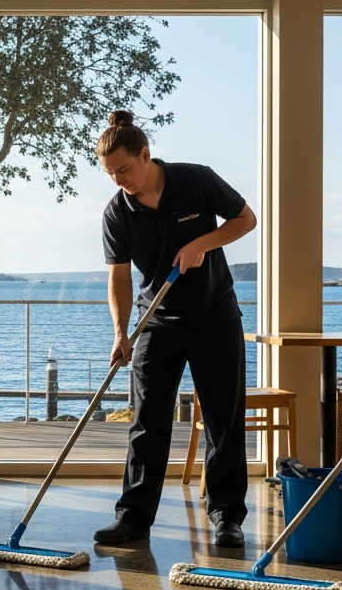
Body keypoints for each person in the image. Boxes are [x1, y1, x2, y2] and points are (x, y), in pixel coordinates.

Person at [92, 110, 259, 548]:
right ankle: (133, 517)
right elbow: (119, 278)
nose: (119, 179)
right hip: (156, 323)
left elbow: (246, 220)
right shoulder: (117, 212)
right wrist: (120, 333)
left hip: (214, 316)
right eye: (110, 173)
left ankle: (227, 516)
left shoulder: (197, 180)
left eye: (124, 169)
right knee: (147, 423)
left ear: (146, 155)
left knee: (224, 420)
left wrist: (201, 243)